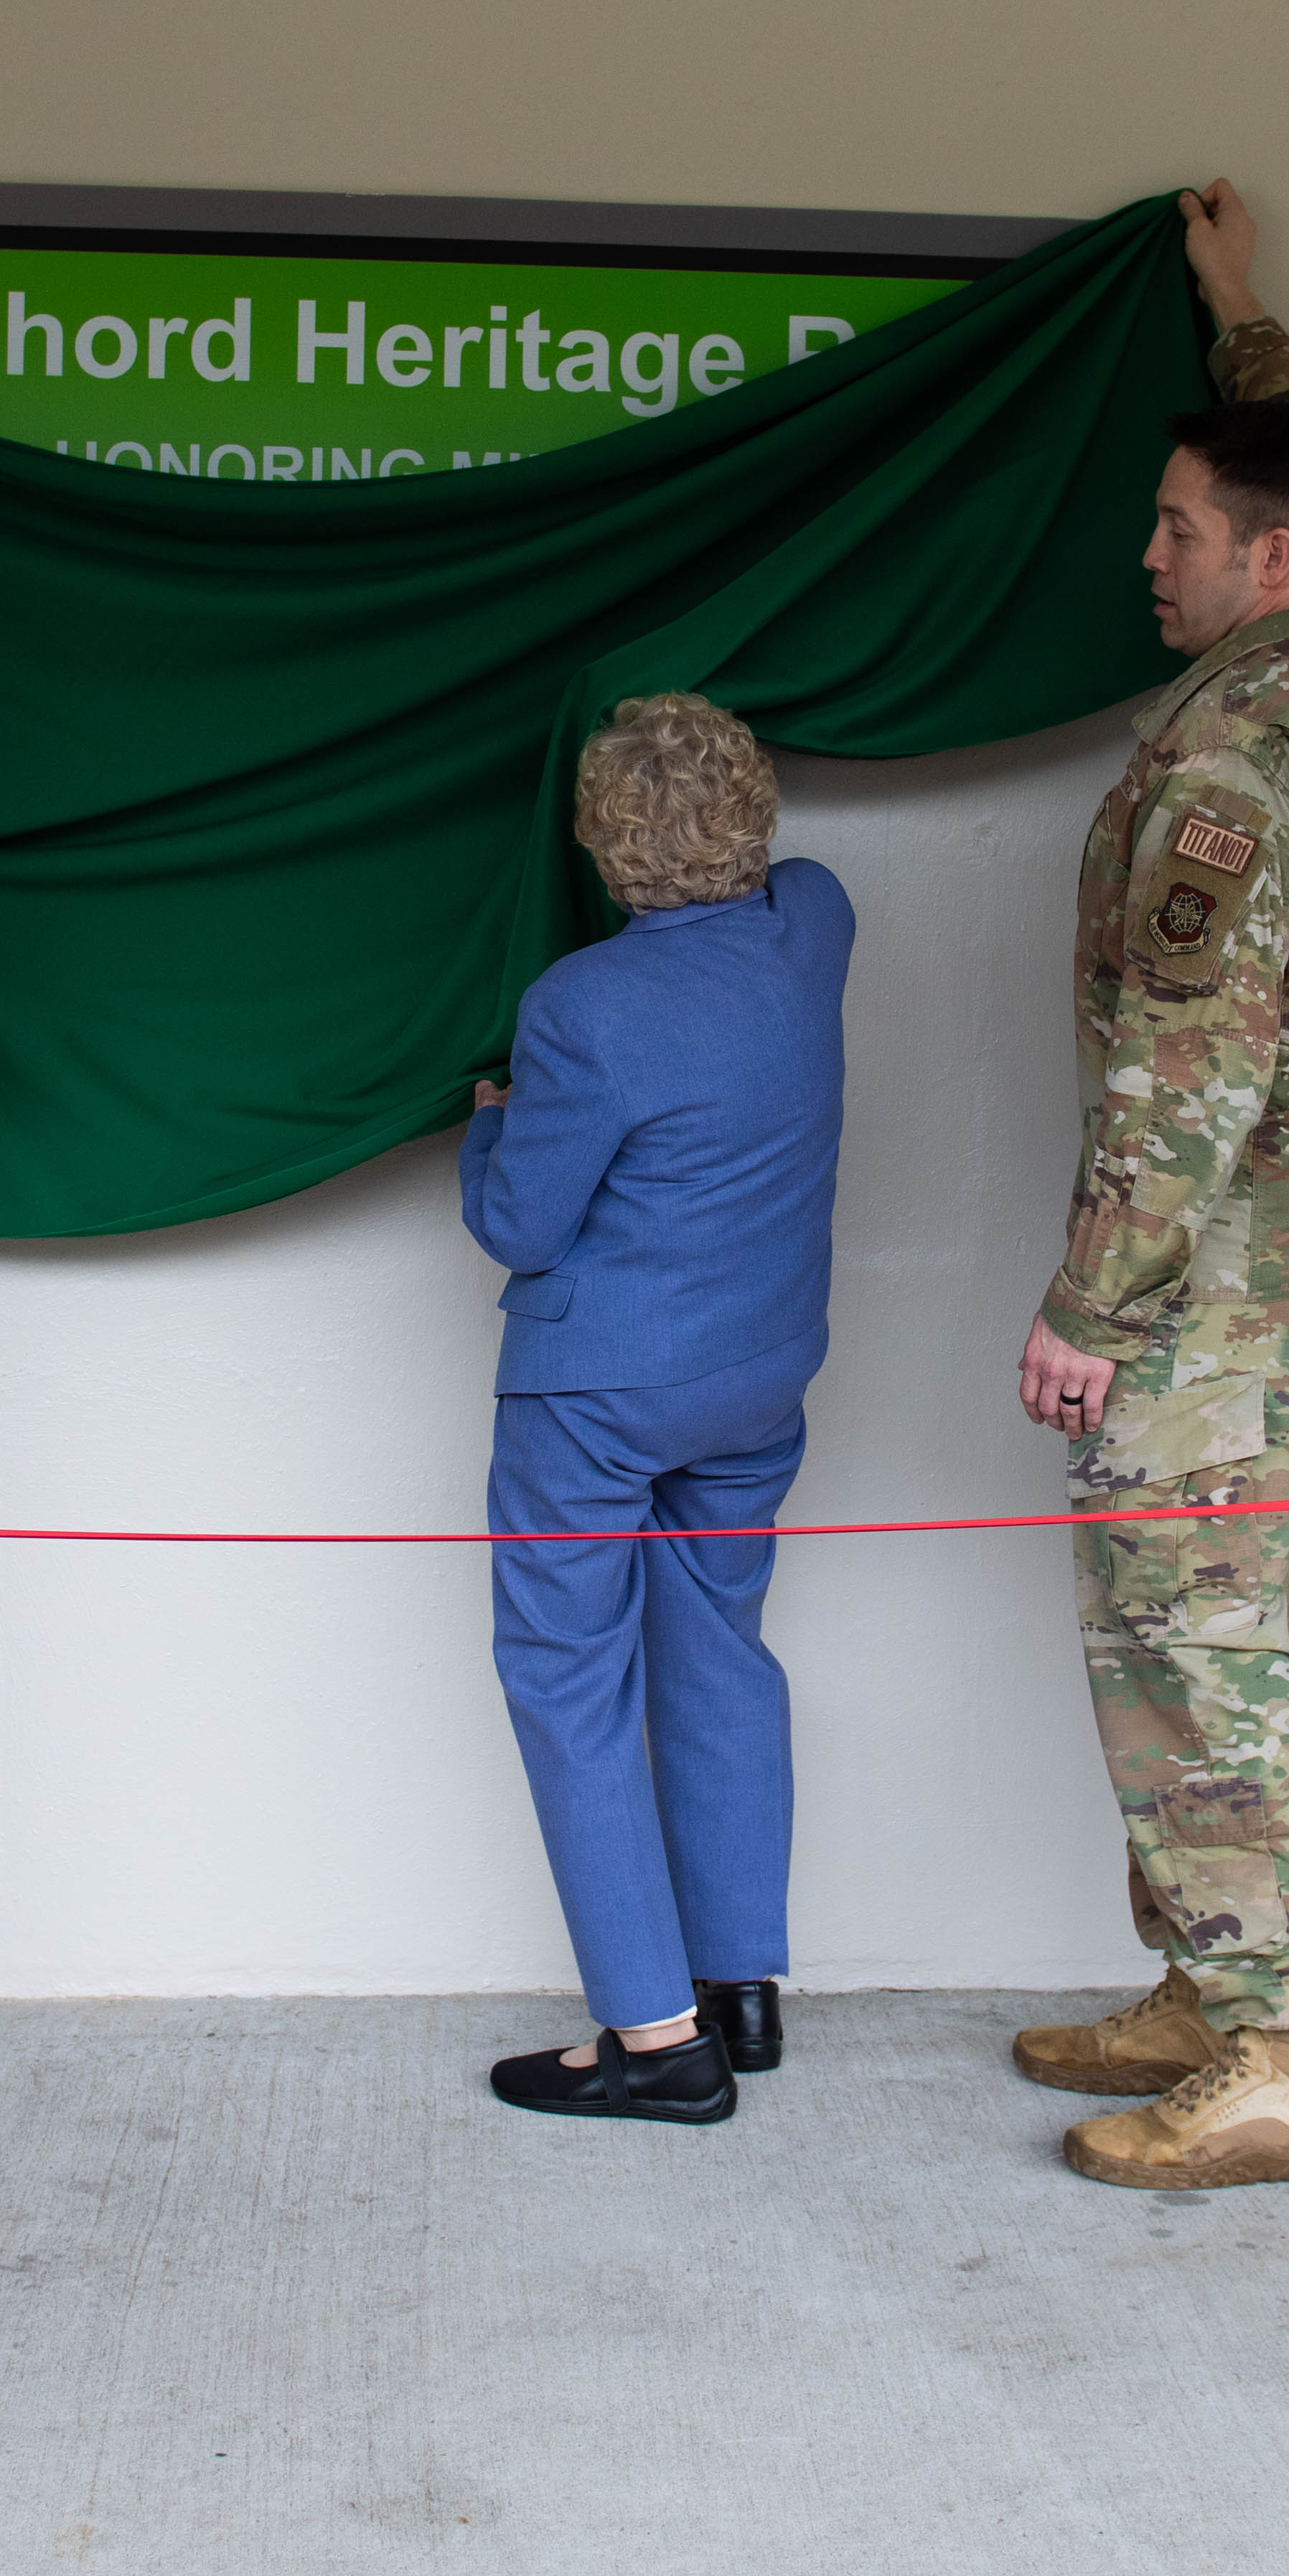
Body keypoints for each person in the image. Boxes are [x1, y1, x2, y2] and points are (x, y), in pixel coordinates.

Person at [1006, 180, 1289, 2193]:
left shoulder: (1231, 771)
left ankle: (1284, 2053)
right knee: (1183, 1628)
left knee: (1199, 1645)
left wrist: (1090, 1311)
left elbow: (1183, 1075)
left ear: (1266, 559)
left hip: (1203, 1293)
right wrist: (1240, 315)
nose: (1147, 556)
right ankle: (1206, 1976)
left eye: (1178, 531)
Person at [461, 696, 855, 2125]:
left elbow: (521, 1222)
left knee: (569, 1679)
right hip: (754, 1376)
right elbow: (801, 876)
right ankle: (740, 1988)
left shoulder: (581, 1006)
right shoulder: (811, 932)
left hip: (598, 1389)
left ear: (605, 846)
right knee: (716, 1649)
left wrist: (496, 1111)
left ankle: (653, 2039)